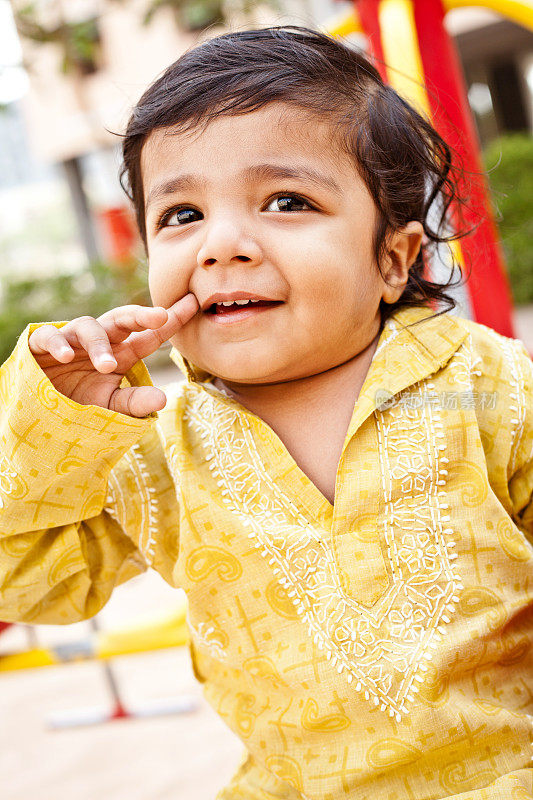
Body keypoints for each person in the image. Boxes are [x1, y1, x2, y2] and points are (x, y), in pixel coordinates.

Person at [1, 25, 532, 800]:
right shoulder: (156, 449)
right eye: (180, 215)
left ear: (392, 259)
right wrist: (57, 424)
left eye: (286, 201)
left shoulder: (491, 387)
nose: (222, 244)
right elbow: (22, 582)